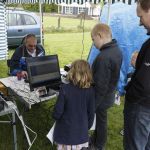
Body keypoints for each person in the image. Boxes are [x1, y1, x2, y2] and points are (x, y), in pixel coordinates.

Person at [91, 23, 122, 150]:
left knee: (101, 120)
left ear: (100, 35)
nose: (93, 43)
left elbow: (100, 86)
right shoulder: (116, 49)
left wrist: (93, 105)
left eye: (93, 39)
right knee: (100, 119)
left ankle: (99, 145)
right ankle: (96, 139)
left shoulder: (104, 57)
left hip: (103, 97)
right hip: (110, 93)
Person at [124, 0, 150, 149]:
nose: (140, 23)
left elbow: (144, 85)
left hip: (141, 107)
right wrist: (141, 63)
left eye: (140, 16)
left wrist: (130, 93)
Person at [52, 59, 95, 150]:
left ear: (72, 72)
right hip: (81, 134)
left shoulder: (64, 89)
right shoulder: (91, 91)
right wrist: (85, 127)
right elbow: (91, 114)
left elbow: (57, 112)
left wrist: (55, 116)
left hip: (65, 134)